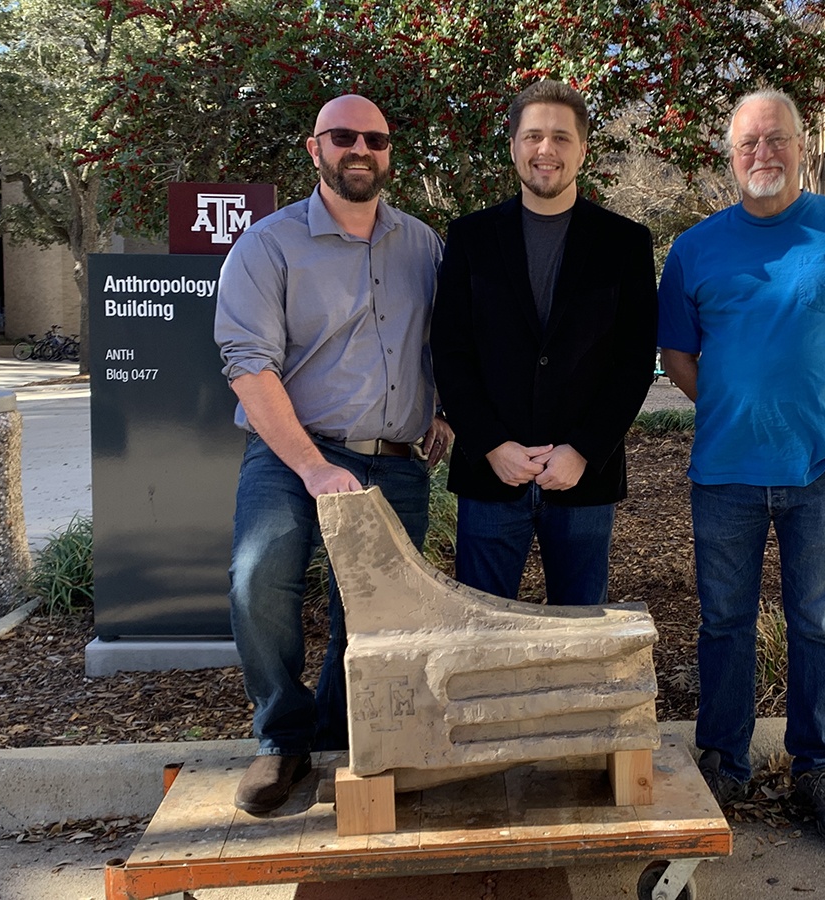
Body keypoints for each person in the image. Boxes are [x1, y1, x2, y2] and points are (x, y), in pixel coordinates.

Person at [657, 89, 825, 845]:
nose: (762, 155)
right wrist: (735, 408)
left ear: (803, 146)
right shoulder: (696, 248)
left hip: (824, 471)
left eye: (776, 141)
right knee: (724, 625)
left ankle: (818, 770)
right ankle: (725, 763)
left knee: (818, 626)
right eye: (748, 145)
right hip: (727, 472)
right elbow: (677, 354)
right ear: (730, 156)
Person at [215, 94, 451, 814]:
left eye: (374, 139)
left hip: (395, 459)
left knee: (374, 614)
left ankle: (344, 738)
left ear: (388, 153)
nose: (360, 149)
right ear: (314, 148)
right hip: (295, 451)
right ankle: (281, 741)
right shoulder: (267, 245)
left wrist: (444, 410)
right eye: (342, 136)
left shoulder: (423, 244)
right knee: (261, 577)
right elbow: (248, 363)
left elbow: (449, 338)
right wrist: (313, 467)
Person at [430, 80, 657, 606]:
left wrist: (582, 449)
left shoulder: (624, 244)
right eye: (533, 136)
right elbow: (451, 351)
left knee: (579, 639)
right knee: (482, 633)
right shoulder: (470, 238)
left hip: (582, 478)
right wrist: (490, 444)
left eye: (561, 137)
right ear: (513, 146)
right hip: (490, 475)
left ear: (583, 149)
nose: (545, 150)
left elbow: (634, 360)